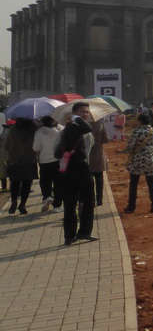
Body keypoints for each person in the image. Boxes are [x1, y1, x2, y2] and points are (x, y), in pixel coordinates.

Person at [58, 102, 96, 244]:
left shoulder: (66, 129)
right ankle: (84, 232)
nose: (85, 114)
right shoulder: (77, 128)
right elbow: (88, 127)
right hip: (80, 168)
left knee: (70, 203)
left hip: (68, 169)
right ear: (74, 112)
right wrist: (76, 118)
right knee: (88, 200)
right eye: (82, 112)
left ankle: (69, 236)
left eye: (87, 112)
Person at [124, 112, 153, 214]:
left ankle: (131, 207)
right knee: (151, 183)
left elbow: (130, 146)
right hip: (150, 159)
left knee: (134, 183)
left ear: (140, 121)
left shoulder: (137, 131)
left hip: (137, 160)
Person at [6, 118, 38, 215]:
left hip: (15, 160)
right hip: (29, 160)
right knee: (27, 184)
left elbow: (6, 145)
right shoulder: (34, 129)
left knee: (14, 183)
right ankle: (22, 205)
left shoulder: (13, 129)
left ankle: (14, 201)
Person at [32, 115, 62, 211]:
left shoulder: (39, 132)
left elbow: (36, 148)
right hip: (57, 160)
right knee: (58, 182)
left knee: (45, 181)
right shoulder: (58, 131)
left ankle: (47, 196)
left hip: (44, 161)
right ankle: (57, 205)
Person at [89, 116, 110, 206]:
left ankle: (91, 199)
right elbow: (106, 140)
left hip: (87, 155)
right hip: (98, 154)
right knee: (99, 179)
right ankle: (99, 199)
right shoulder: (100, 126)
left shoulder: (82, 126)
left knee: (89, 180)